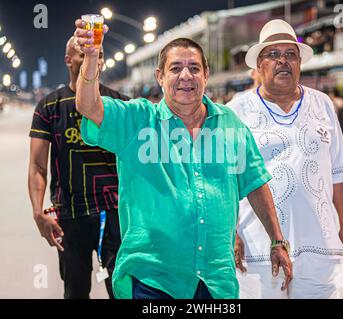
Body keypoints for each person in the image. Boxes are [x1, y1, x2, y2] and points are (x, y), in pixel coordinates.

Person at [73, 18, 292, 299]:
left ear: (206, 75)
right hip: (154, 279)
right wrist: (91, 59)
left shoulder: (231, 125)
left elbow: (255, 183)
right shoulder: (137, 121)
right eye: (175, 68)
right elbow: (88, 105)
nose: (186, 76)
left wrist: (277, 240)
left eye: (194, 68)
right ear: (160, 77)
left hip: (215, 281)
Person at [228, 19, 343, 299]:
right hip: (257, 248)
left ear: (299, 62)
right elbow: (225, 180)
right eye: (273, 54)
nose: (283, 61)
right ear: (259, 65)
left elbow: (339, 173)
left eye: (290, 55)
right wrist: (232, 233)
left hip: (319, 245)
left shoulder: (323, 104)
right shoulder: (236, 110)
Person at [28, 37, 128, 299]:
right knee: (75, 292)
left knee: (123, 290)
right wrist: (39, 213)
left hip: (116, 214)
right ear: (68, 60)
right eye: (84, 54)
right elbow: (38, 166)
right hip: (70, 216)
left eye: (99, 54)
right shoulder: (49, 106)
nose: (93, 59)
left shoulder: (120, 104)